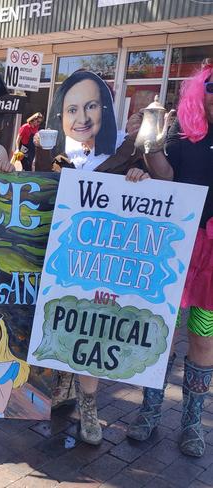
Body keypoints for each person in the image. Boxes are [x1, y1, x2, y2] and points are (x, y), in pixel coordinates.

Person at [34, 70, 148, 445]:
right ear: (61, 115)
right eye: (72, 109)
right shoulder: (53, 154)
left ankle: (89, 405)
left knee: (92, 332)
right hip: (59, 260)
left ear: (105, 109)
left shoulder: (125, 153)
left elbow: (146, 208)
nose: (82, 117)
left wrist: (138, 175)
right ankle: (63, 387)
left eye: (91, 106)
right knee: (62, 324)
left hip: (100, 264)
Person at [135, 61, 213, 458]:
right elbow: (163, 176)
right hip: (177, 251)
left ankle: (192, 424)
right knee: (161, 334)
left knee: (203, 338)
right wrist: (152, 144)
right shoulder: (186, 135)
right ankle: (148, 413)